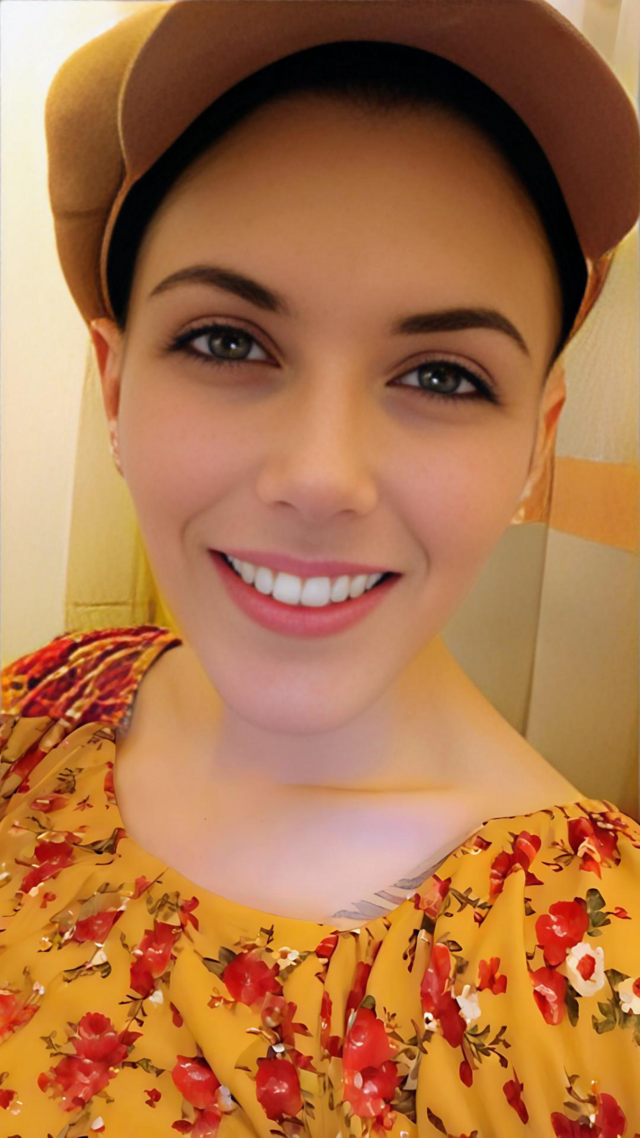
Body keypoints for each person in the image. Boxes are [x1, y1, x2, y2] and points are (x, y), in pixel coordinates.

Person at [1, 2, 639, 1134]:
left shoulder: (596, 987)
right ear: (115, 384)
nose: (319, 477)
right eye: (226, 342)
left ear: (535, 444)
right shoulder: (42, 710)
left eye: (442, 376)